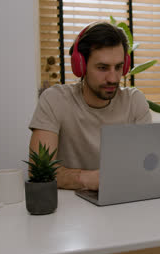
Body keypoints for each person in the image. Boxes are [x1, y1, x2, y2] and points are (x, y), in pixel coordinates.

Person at [28, 21, 152, 191]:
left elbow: (146, 168)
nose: (113, 78)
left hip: (122, 203)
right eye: (102, 68)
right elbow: (38, 170)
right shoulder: (54, 100)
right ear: (81, 66)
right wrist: (88, 179)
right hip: (68, 209)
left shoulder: (135, 102)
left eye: (118, 67)